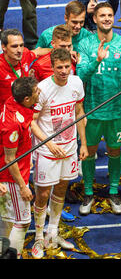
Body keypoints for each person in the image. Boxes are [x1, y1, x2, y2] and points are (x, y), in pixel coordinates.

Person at [76, 2, 121, 216]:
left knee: (114, 151)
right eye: (102, 15)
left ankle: (113, 191)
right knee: (90, 152)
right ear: (94, 19)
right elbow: (80, 76)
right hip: (92, 110)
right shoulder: (85, 44)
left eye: (110, 15)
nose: (106, 19)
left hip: (116, 112)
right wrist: (96, 61)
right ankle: (88, 192)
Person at [30, 48, 87, 259]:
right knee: (42, 194)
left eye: (67, 67)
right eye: (59, 67)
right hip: (47, 151)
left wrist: (83, 143)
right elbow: (32, 122)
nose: (64, 71)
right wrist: (49, 143)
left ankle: (52, 233)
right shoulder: (43, 89)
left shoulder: (76, 83)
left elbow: (79, 113)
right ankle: (37, 237)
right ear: (52, 67)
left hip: (70, 148)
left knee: (62, 189)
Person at [0, 76, 40, 258]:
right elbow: (9, 159)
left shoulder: (14, 102)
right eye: (36, 91)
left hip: (16, 174)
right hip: (12, 180)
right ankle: (13, 255)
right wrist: (23, 187)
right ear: (27, 99)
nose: (39, 93)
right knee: (23, 221)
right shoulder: (12, 125)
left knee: (7, 220)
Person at [0, 29, 50, 109]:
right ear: (4, 47)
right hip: (8, 114)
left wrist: (61, 51)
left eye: (21, 45)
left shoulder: (25, 54)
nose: (19, 50)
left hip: (27, 107)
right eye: (14, 46)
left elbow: (38, 52)